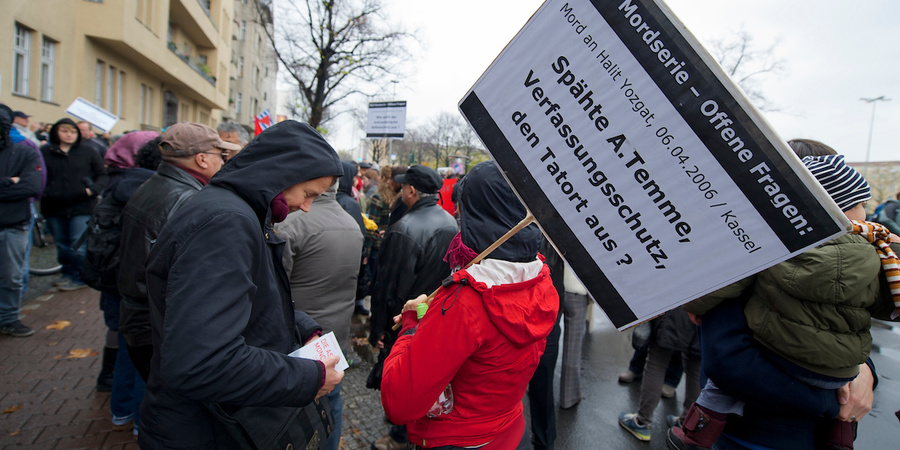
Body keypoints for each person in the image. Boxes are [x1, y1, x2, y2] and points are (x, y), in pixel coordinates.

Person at [138, 120, 345, 449]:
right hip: (206, 429)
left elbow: (251, 299)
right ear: (283, 172)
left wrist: (301, 328)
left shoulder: (239, 211)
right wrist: (310, 377)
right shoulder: (227, 223)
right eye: (308, 194)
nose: (306, 206)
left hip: (215, 419)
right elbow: (202, 362)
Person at [671, 152, 898, 450]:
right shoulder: (875, 250)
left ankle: (696, 433)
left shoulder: (777, 244)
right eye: (862, 205)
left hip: (774, 368)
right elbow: (886, 303)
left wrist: (694, 306)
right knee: (842, 414)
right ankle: (841, 438)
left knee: (718, 391)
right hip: (836, 376)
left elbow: (725, 287)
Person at [380, 161, 559, 449]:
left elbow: (398, 403)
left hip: (457, 439)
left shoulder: (467, 302)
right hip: (508, 432)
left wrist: (412, 324)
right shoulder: (541, 279)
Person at [117, 122, 239, 381]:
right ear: (202, 159)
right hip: (158, 322)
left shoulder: (155, 183)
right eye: (221, 155)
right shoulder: (190, 200)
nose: (224, 162)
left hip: (141, 315)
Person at [369, 165, 458, 450]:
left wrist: (380, 329)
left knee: (402, 374)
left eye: (403, 187)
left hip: (406, 318)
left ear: (411, 191)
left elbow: (387, 288)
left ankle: (398, 435)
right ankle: (412, 428)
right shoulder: (451, 222)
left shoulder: (404, 228)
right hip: (436, 314)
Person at [276, 176, 364, 450]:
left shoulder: (291, 223)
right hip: (335, 330)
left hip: (301, 335)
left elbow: (276, 287)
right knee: (332, 396)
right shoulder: (352, 223)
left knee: (293, 409)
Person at [90, 131, 160, 435]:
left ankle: (120, 411)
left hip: (116, 283)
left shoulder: (117, 183)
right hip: (137, 286)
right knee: (143, 352)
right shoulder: (148, 190)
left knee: (125, 345)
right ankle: (140, 419)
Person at [40, 118, 108, 291]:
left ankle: (79, 276)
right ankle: (67, 273)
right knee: (62, 244)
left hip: (82, 205)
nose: (69, 135)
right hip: (54, 206)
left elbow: (102, 175)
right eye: (64, 131)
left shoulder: (88, 151)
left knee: (77, 245)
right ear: (56, 132)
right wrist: (46, 191)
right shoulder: (45, 152)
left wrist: (91, 190)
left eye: (72, 131)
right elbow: (38, 175)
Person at [0, 105, 44, 337]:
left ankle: (8, 318)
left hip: (13, 224)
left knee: (12, 276)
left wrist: (13, 183)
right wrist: (10, 182)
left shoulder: (25, 152)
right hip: (13, 218)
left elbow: (31, 186)